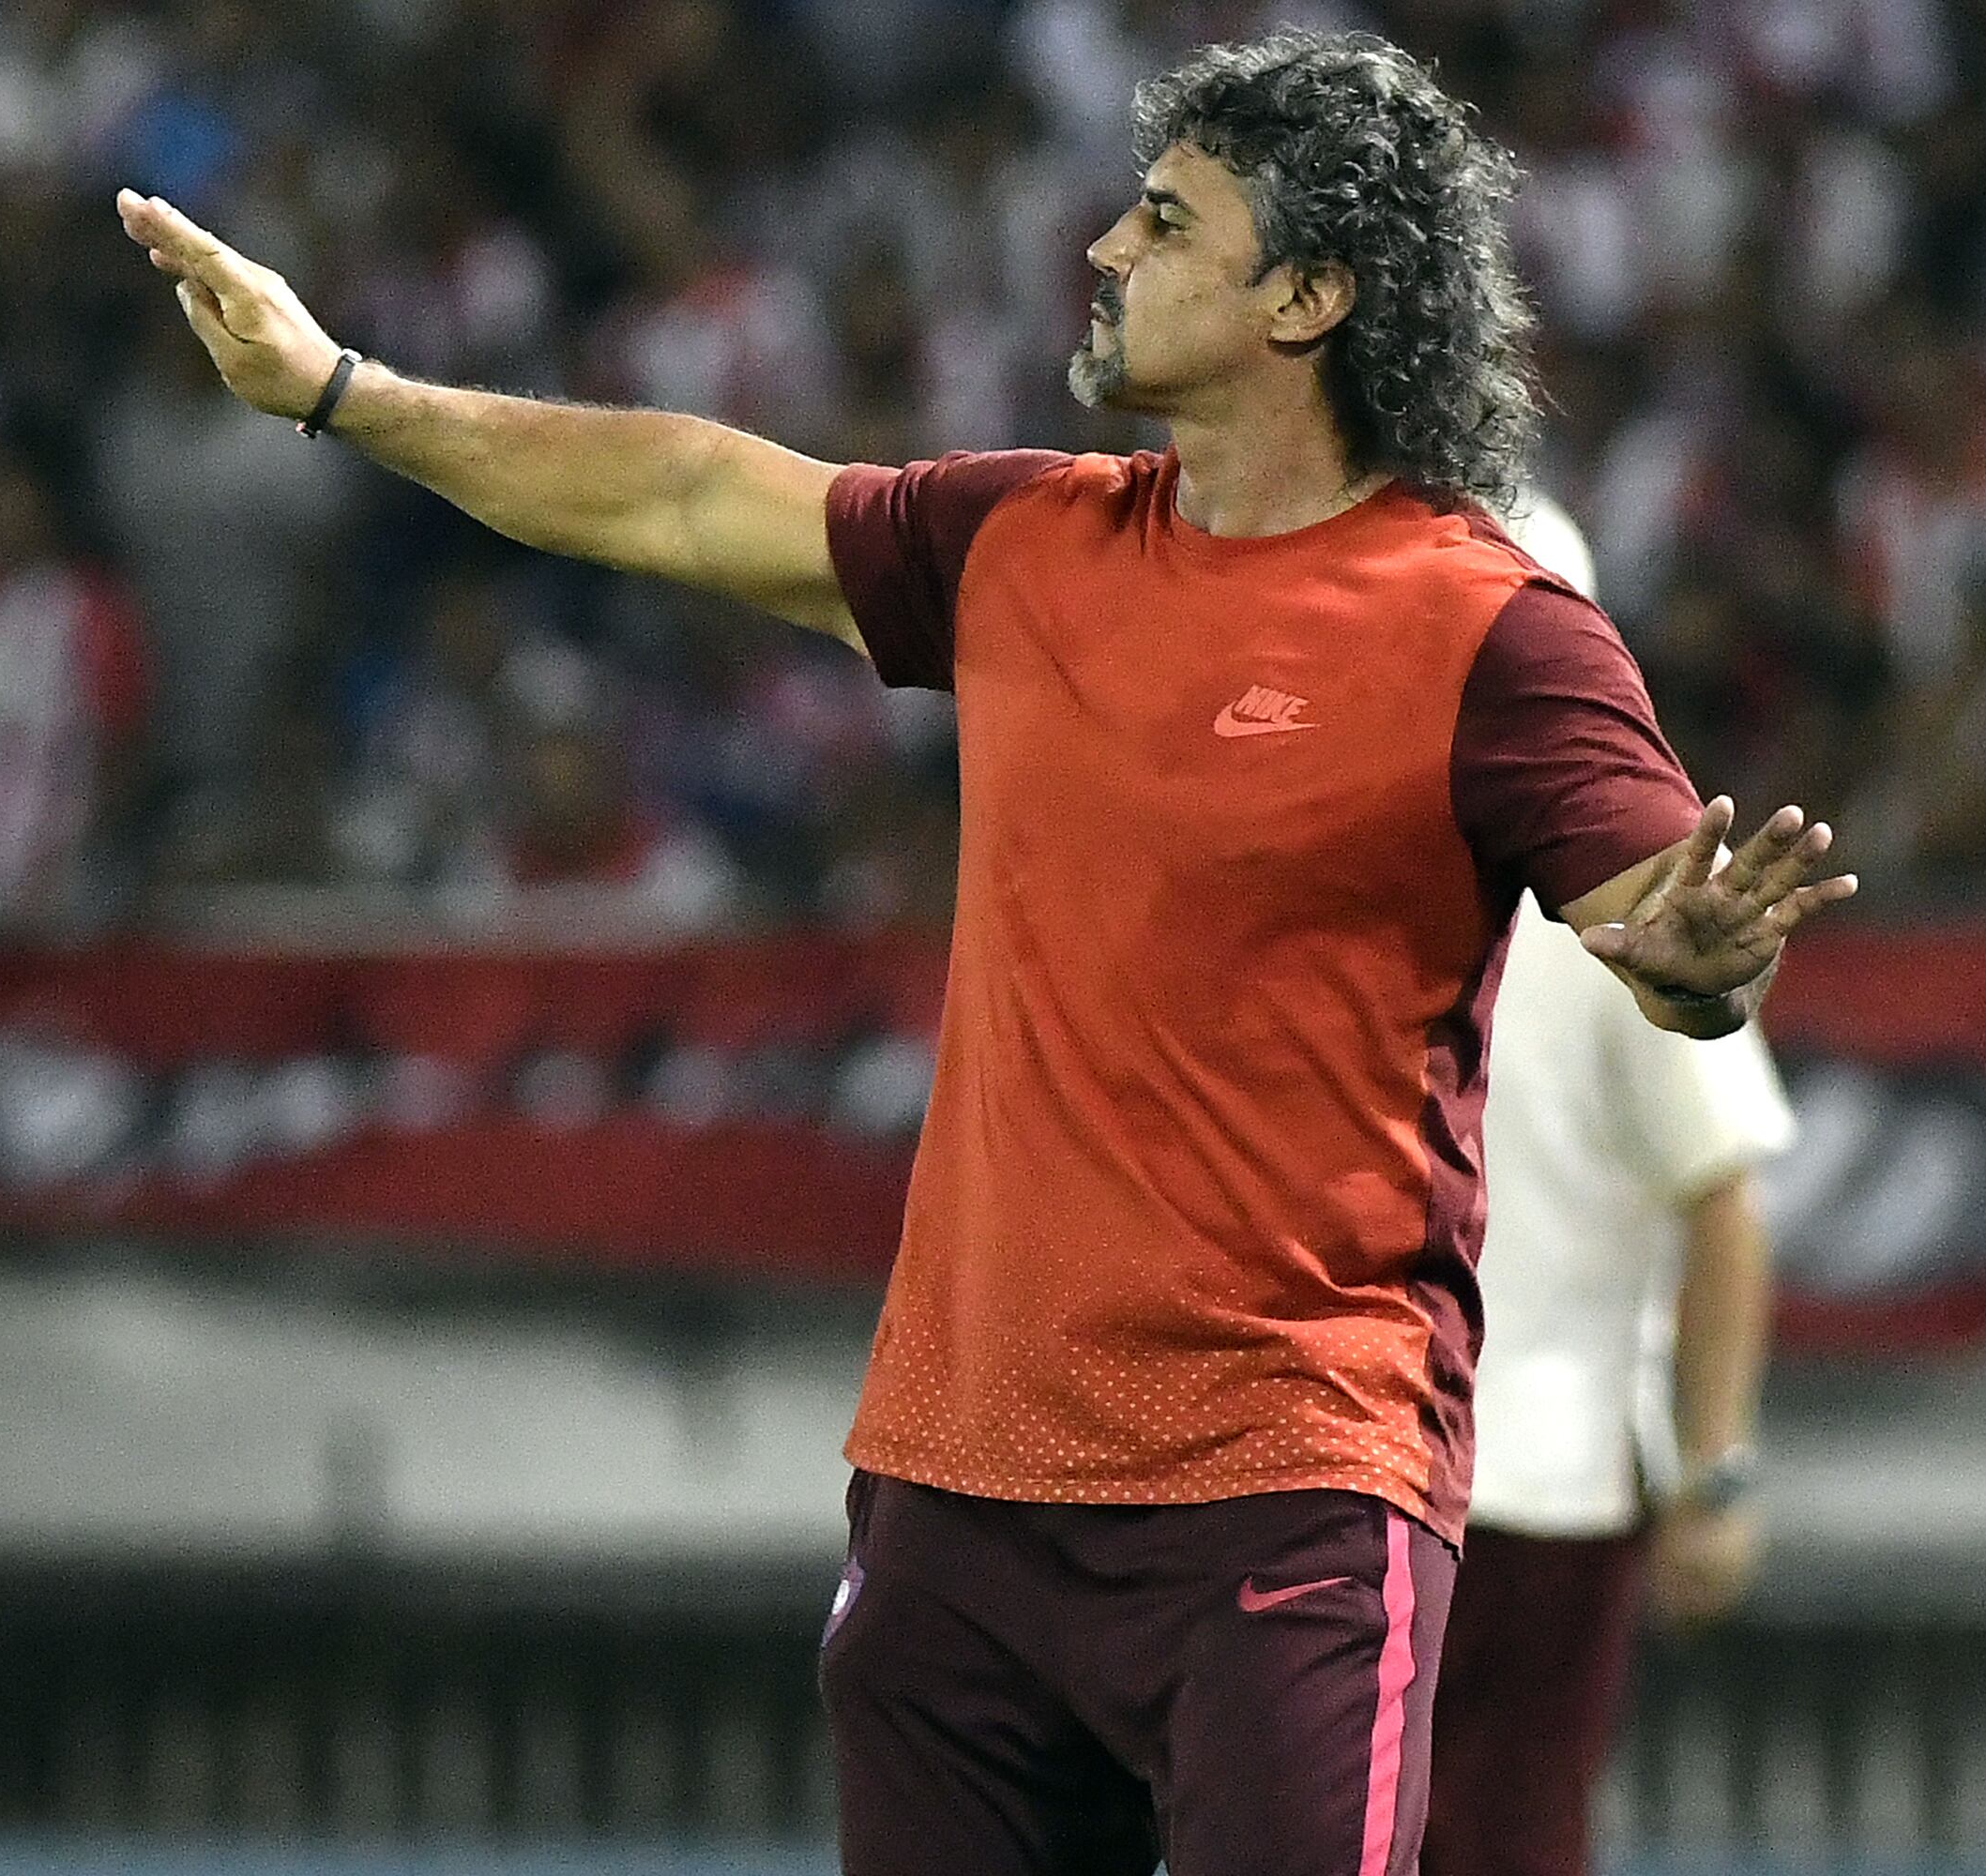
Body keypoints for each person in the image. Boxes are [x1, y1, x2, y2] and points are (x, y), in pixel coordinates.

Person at [114, 29, 1855, 1875]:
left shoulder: (1495, 632)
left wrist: (1697, 951)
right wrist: (343, 388)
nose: (1107, 249)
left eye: (1170, 221)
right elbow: (688, 494)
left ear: (1316, 293)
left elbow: (1669, 934)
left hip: (1289, 1498)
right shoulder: (1026, 543)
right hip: (960, 1493)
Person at [1425, 497, 1796, 1876]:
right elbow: (1724, 1194)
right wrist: (1718, 1474)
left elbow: (1726, 1204)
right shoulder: (1626, 911)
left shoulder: (1367, 887)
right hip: (1545, 1479)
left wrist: (1717, 1473)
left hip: (1386, 1467)